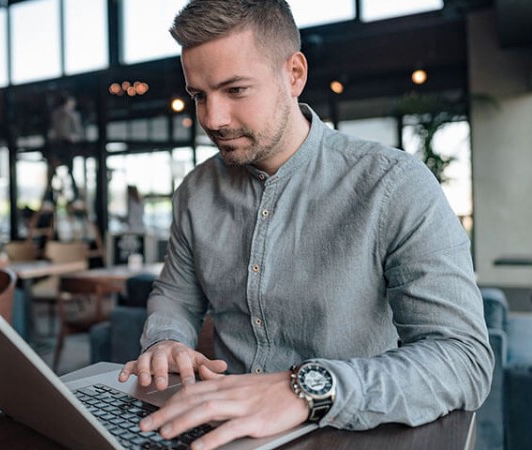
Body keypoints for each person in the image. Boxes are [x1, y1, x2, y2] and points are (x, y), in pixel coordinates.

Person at [117, 2, 493, 449]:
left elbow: (463, 361)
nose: (212, 119)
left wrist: (306, 388)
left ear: (294, 74)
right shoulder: (196, 191)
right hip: (222, 435)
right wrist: (166, 341)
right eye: (200, 95)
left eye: (235, 90)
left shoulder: (394, 185)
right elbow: (177, 296)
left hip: (353, 436)